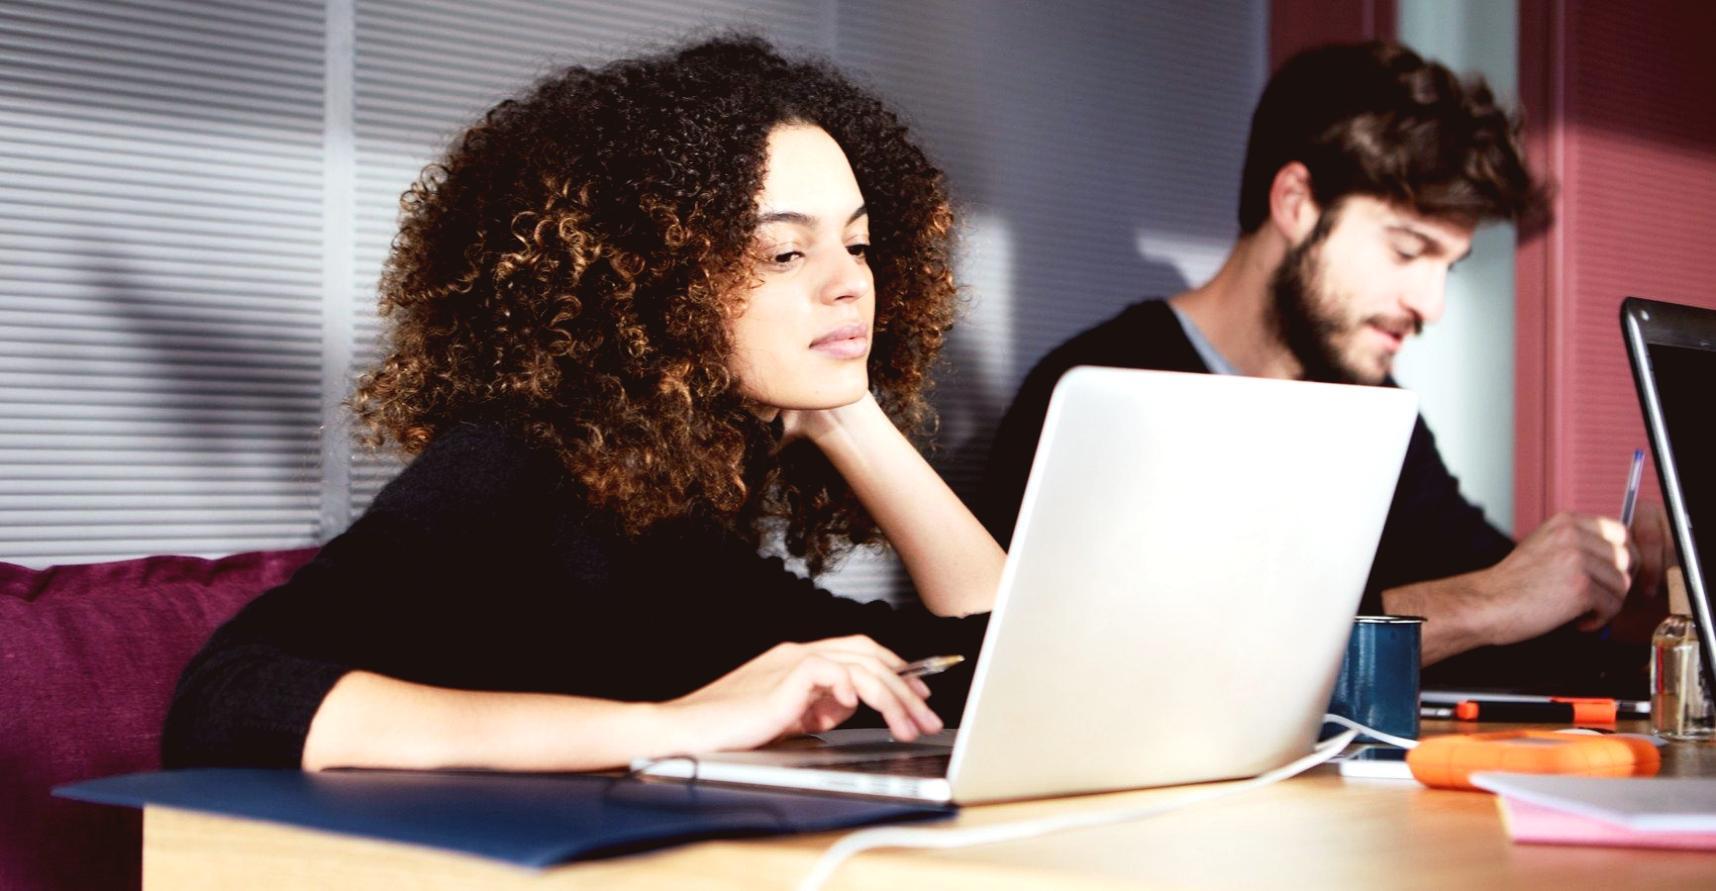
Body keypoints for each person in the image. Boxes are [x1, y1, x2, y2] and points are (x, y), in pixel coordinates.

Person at [163, 36, 1005, 773]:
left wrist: (850, 413)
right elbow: (231, 699)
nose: (848, 281)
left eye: (857, 243)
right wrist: (673, 727)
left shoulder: (669, 528)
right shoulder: (508, 465)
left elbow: (993, 676)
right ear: (651, 283)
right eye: (784, 251)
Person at [979, 41, 1670, 690]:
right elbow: (1115, 666)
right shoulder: (1107, 389)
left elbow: (1506, 604)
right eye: (1406, 251)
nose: (1430, 304)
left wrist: (1619, 610)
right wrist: (1482, 603)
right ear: (1296, 204)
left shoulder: (1370, 410)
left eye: (1447, 268)